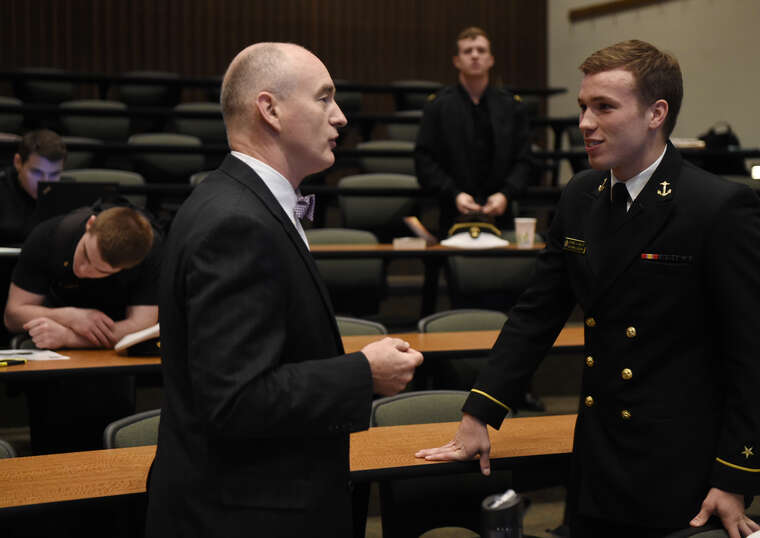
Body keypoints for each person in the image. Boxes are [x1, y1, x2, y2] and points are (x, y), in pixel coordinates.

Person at [416, 39, 760, 538]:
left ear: (656, 113)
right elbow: (536, 314)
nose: (585, 123)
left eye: (604, 107)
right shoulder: (581, 195)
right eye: (582, 107)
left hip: (685, 467)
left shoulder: (718, 206)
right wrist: (479, 412)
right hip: (598, 453)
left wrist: (736, 476)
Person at [145, 42, 424, 537]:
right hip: (246, 513)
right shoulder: (236, 222)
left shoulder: (234, 199)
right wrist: (364, 373)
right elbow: (236, 399)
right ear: (270, 109)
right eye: (323, 98)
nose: (340, 118)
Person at [4, 205, 160, 453]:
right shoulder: (47, 235)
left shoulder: (147, 254)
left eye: (101, 271)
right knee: (52, 442)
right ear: (90, 225)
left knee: (106, 444)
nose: (84, 270)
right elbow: (13, 314)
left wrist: (70, 336)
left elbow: (142, 327)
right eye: (86, 254)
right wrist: (69, 316)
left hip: (111, 362)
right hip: (53, 355)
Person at [414, 26, 537, 236]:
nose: (474, 55)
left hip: (501, 211)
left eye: (481, 50)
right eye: (467, 51)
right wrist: (454, 194)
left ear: (491, 59)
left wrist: (505, 194)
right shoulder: (438, 106)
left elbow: (525, 159)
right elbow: (424, 159)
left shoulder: (512, 106)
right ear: (456, 61)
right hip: (453, 210)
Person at [0, 129, 66, 245]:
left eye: (54, 174)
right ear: (18, 162)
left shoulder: (69, 193)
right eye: (37, 172)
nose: (45, 182)